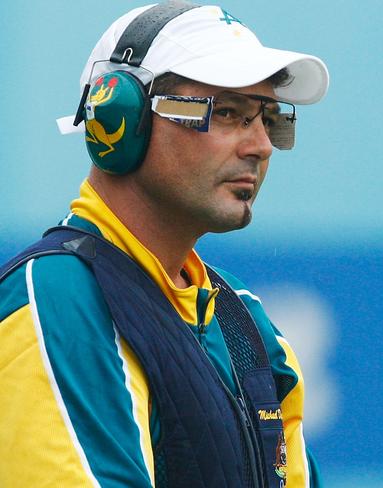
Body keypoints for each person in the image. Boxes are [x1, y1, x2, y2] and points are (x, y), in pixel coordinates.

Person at [0, 2, 328, 487]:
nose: (260, 145)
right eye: (229, 113)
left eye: (269, 118)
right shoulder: (55, 295)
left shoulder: (245, 320)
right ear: (120, 116)